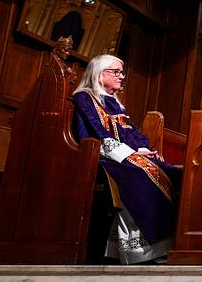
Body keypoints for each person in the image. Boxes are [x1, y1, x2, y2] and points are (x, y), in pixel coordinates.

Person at [72, 54, 181, 264]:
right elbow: (96, 131)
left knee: (171, 171)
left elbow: (133, 132)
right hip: (102, 156)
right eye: (116, 72)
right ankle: (141, 250)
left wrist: (143, 149)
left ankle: (165, 244)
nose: (121, 76)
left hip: (126, 155)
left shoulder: (116, 103)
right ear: (98, 73)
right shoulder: (85, 97)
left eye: (121, 72)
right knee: (141, 175)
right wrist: (130, 154)